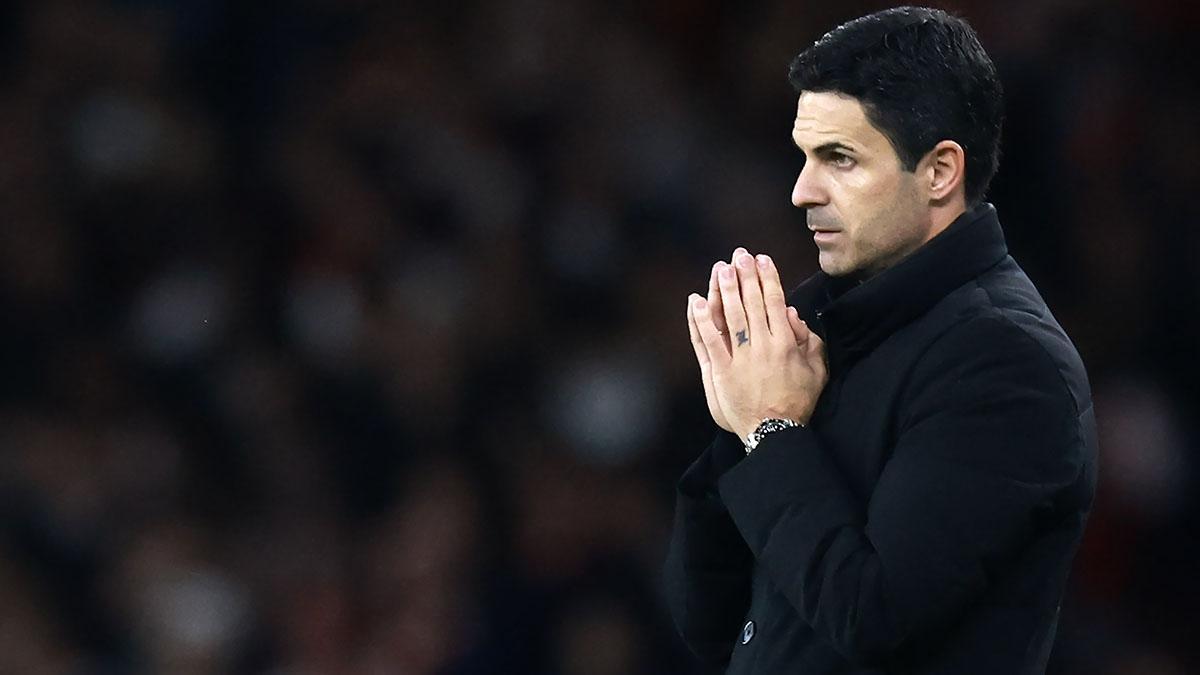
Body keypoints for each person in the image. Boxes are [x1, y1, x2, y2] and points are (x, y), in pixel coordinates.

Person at [663, 6, 1097, 674]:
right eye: (805, 156)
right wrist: (739, 424)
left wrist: (771, 431)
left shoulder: (1008, 364)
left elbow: (871, 614)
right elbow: (709, 618)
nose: (802, 190)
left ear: (939, 172)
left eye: (840, 158)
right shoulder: (816, 325)